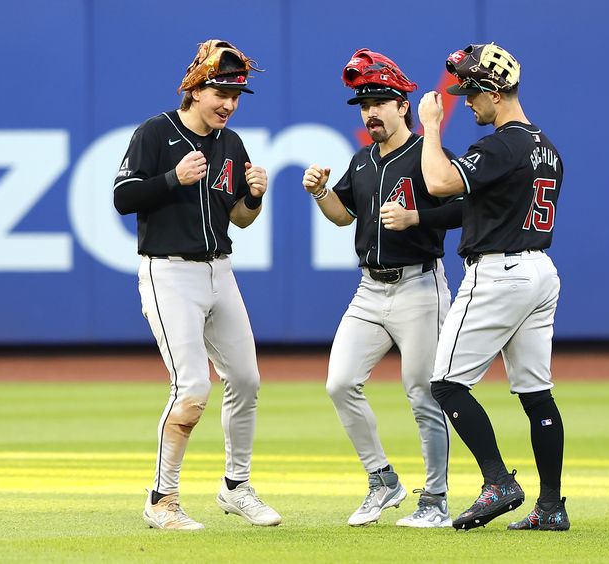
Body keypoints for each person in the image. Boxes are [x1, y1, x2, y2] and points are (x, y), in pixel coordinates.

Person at [113, 39, 281, 529]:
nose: (229, 104)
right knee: (191, 387)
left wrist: (253, 197)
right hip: (168, 272)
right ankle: (161, 499)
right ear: (195, 87)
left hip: (218, 269)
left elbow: (240, 220)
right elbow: (124, 197)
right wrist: (171, 179)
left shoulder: (231, 144)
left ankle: (237, 487)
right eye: (220, 93)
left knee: (246, 380)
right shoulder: (155, 132)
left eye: (236, 95)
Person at [302, 49, 462, 527]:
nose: (370, 112)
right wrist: (320, 193)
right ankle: (383, 480)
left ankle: (435, 499)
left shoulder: (427, 155)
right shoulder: (364, 160)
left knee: (422, 394)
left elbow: (463, 210)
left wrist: (417, 217)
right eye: (364, 104)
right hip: (370, 289)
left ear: (402, 107)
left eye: (380, 101)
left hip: (419, 285)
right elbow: (343, 216)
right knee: (339, 383)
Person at [418, 42, 570, 531]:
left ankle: (498, 481)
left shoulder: (503, 144)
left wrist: (431, 127)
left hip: (500, 273)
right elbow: (482, 206)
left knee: (444, 383)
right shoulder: (547, 147)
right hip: (540, 270)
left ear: (494, 91)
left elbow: (440, 181)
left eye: (471, 92)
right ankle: (550, 507)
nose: (466, 102)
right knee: (536, 393)